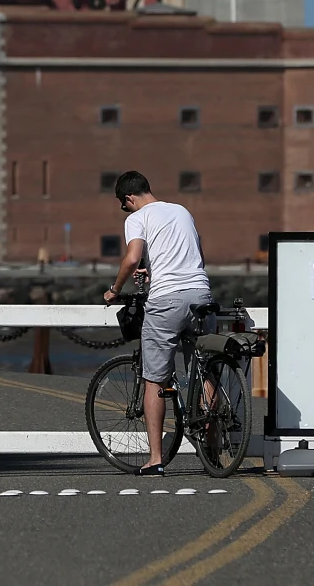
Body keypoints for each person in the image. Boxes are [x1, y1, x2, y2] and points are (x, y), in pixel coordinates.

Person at [103, 170, 213, 476]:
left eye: (124, 206)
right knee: (204, 366)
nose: (126, 211)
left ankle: (155, 459)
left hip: (167, 301)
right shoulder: (182, 211)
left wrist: (115, 289)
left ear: (129, 198)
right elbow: (196, 256)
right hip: (201, 293)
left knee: (155, 378)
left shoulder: (137, 218)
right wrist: (156, 272)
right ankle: (215, 442)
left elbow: (131, 258)